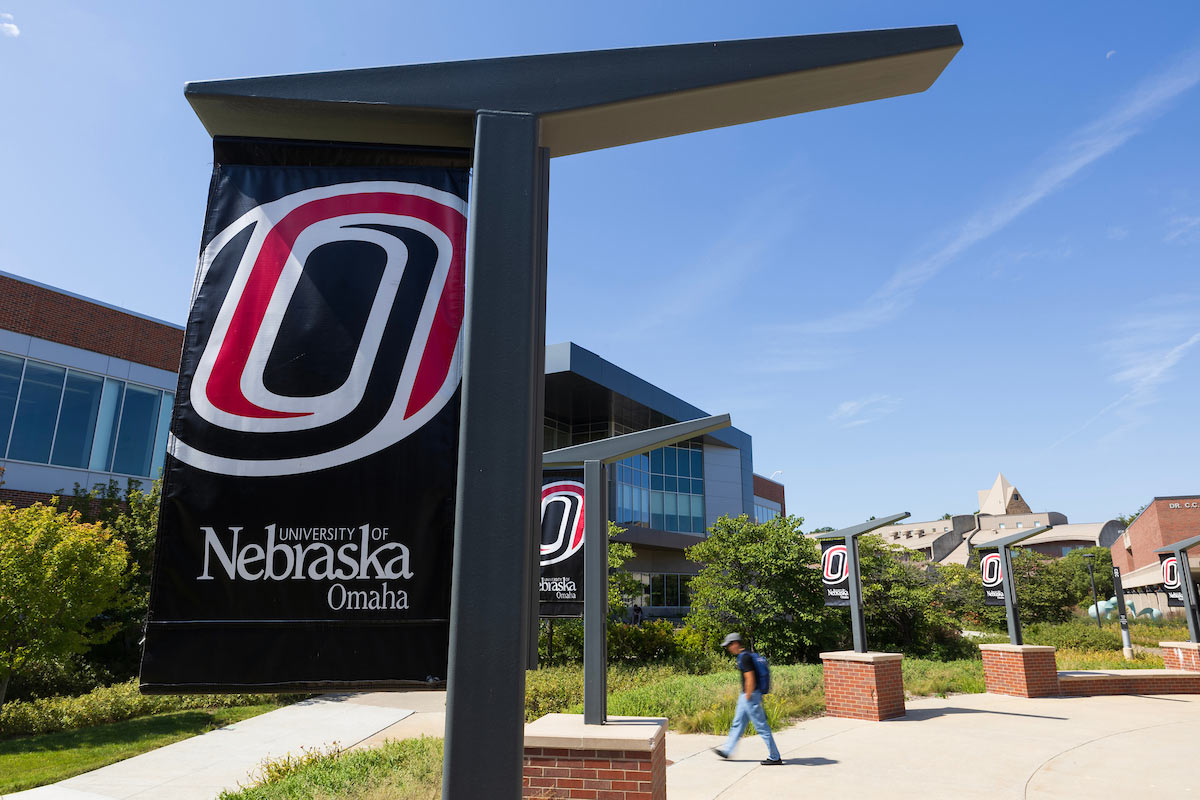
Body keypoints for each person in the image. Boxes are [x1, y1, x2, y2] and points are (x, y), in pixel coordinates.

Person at [713, 632, 782, 765]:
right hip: (746, 696)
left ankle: (775, 756)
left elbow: (750, 678)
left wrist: (748, 697)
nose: (728, 648)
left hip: (750, 696)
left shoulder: (744, 658)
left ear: (736, 643)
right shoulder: (746, 655)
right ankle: (727, 750)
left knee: (761, 726)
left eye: (729, 645)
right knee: (738, 723)